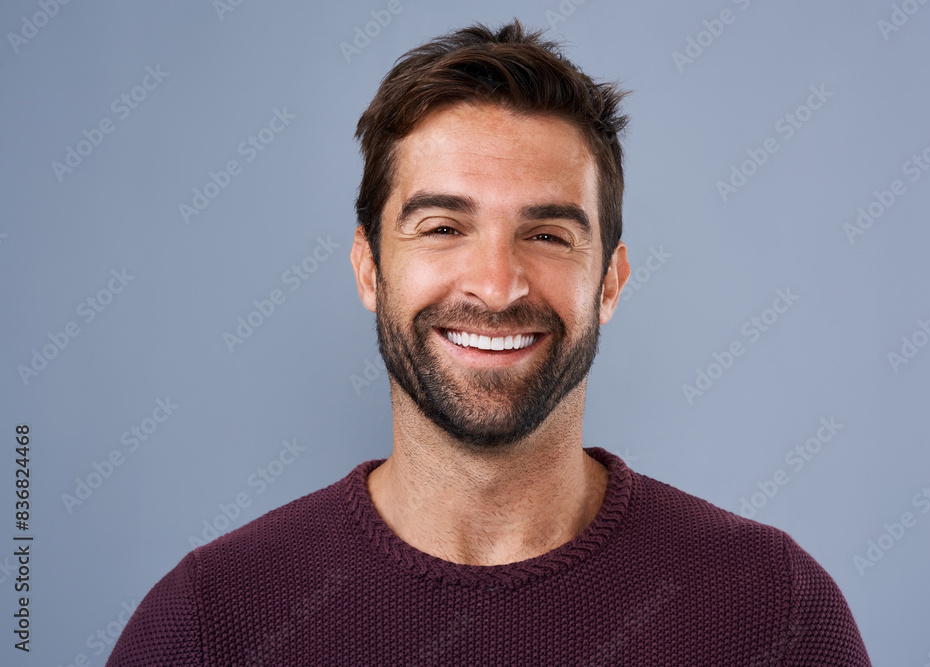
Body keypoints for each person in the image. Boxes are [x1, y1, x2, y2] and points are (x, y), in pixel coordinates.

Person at [108, 19, 871, 665]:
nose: (498, 284)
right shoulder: (209, 624)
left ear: (610, 282)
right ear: (369, 268)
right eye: (443, 228)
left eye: (546, 233)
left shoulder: (775, 612)